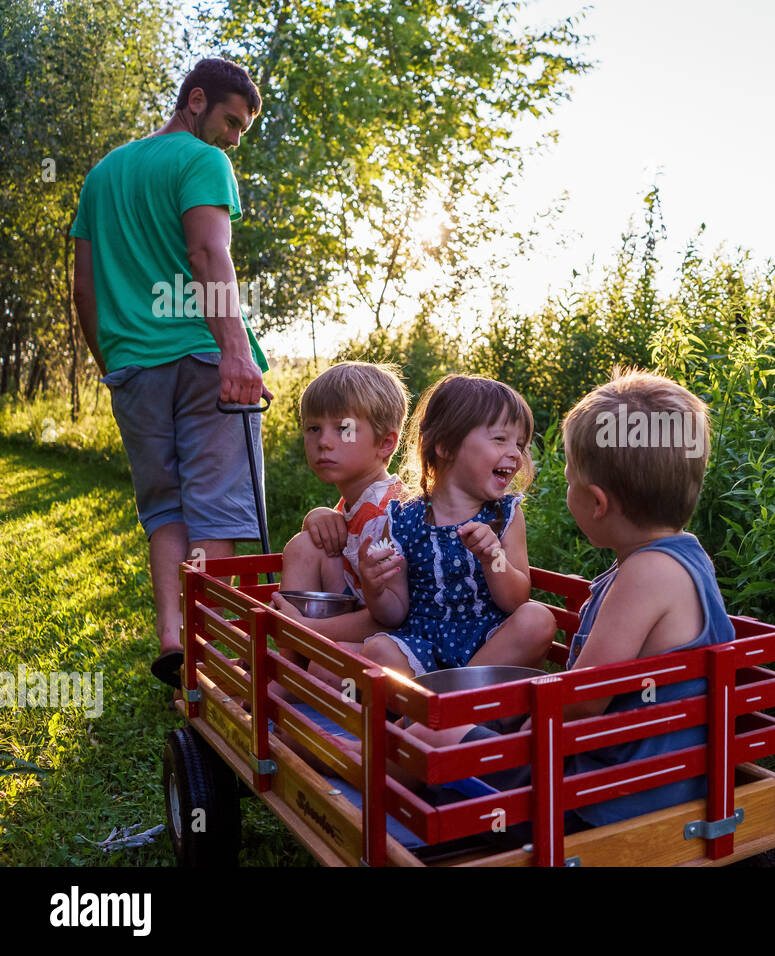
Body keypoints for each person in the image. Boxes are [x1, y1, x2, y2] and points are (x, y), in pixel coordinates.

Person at [407, 368, 735, 830]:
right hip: (650, 775)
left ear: (597, 502)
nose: (565, 490)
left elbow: (582, 701)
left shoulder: (645, 574)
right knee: (464, 724)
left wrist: (522, 735)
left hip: (603, 795)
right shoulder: (686, 557)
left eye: (568, 480)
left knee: (427, 734)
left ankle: (381, 803)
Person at [70, 58, 271, 688]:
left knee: (165, 510)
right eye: (231, 121)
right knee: (219, 513)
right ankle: (216, 659)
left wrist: (114, 363)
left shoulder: (103, 175)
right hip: (203, 357)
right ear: (196, 101)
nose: (235, 138)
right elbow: (207, 251)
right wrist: (236, 352)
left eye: (242, 130)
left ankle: (174, 638)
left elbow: (83, 286)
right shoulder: (202, 161)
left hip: (133, 366)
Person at [349, 374, 557, 677]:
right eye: (500, 439)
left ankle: (452, 705)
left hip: (490, 645)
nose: (515, 453)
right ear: (445, 446)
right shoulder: (400, 520)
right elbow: (393, 614)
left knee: (537, 618)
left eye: (520, 444)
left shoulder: (505, 515)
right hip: (422, 647)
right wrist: (374, 586)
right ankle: (469, 713)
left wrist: (492, 558)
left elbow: (516, 600)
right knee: (378, 651)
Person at [268, 362, 410, 649]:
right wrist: (317, 515)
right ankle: (291, 659)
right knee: (305, 544)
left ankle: (293, 654)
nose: (323, 442)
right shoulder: (361, 498)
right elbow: (338, 534)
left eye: (343, 428)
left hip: (397, 636)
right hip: (361, 612)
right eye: (314, 428)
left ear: (384, 444)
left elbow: (390, 617)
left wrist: (306, 629)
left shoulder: (388, 513)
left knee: (327, 672)